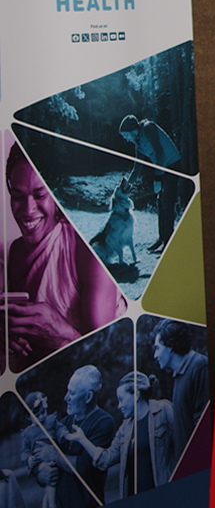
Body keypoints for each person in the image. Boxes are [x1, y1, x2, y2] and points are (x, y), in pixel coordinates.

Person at [6, 146, 127, 371]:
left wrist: (58, 335)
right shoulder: (15, 251)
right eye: (17, 197)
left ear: (55, 194)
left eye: (40, 195)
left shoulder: (87, 250)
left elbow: (106, 364)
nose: (28, 210)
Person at [64, 371, 178, 496]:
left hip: (164, 495)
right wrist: (82, 439)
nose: (119, 406)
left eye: (121, 400)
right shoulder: (125, 429)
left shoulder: (164, 410)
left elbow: (183, 443)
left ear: (136, 395)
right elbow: (105, 460)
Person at [43, 366, 115, 508]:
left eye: (72, 393)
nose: (66, 397)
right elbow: (47, 467)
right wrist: (42, 474)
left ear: (88, 397)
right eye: (67, 390)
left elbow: (84, 466)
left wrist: (56, 457)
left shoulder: (104, 422)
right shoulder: (63, 423)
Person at [118, 115, 181, 253]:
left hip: (172, 165)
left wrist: (158, 178)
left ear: (132, 130)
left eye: (126, 135)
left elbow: (159, 152)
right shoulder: (138, 143)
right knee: (160, 202)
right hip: (163, 167)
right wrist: (128, 185)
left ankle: (168, 241)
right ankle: (162, 237)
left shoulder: (148, 128)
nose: (126, 139)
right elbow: (137, 167)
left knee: (167, 202)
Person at [152, 318, 207, 452]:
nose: (155, 355)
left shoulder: (199, 367)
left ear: (170, 346)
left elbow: (203, 426)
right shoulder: (177, 375)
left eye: (158, 348)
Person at [21, 392, 58, 508]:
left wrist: (64, 433)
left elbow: (59, 430)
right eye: (37, 415)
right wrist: (28, 459)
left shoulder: (50, 422)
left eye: (43, 413)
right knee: (50, 474)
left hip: (51, 456)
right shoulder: (28, 433)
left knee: (49, 484)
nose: (41, 417)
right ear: (29, 417)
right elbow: (24, 451)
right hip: (39, 462)